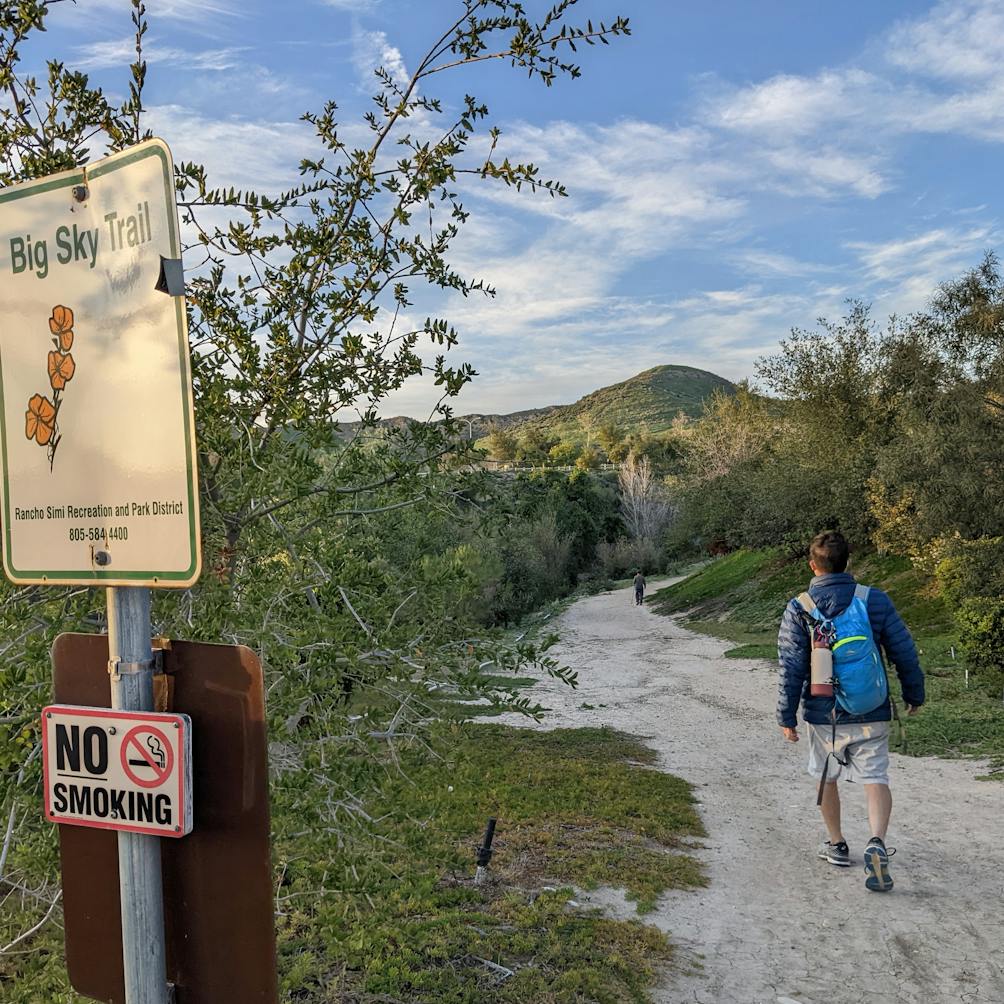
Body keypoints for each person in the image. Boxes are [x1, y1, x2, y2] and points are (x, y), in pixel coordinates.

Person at [776, 530, 925, 892]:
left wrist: (786, 716)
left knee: (826, 775)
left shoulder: (799, 608)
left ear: (813, 565)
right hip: (871, 707)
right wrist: (913, 692)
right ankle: (876, 841)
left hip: (822, 713)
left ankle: (838, 844)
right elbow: (903, 649)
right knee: (875, 777)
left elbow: (792, 666)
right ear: (849, 563)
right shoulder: (874, 600)